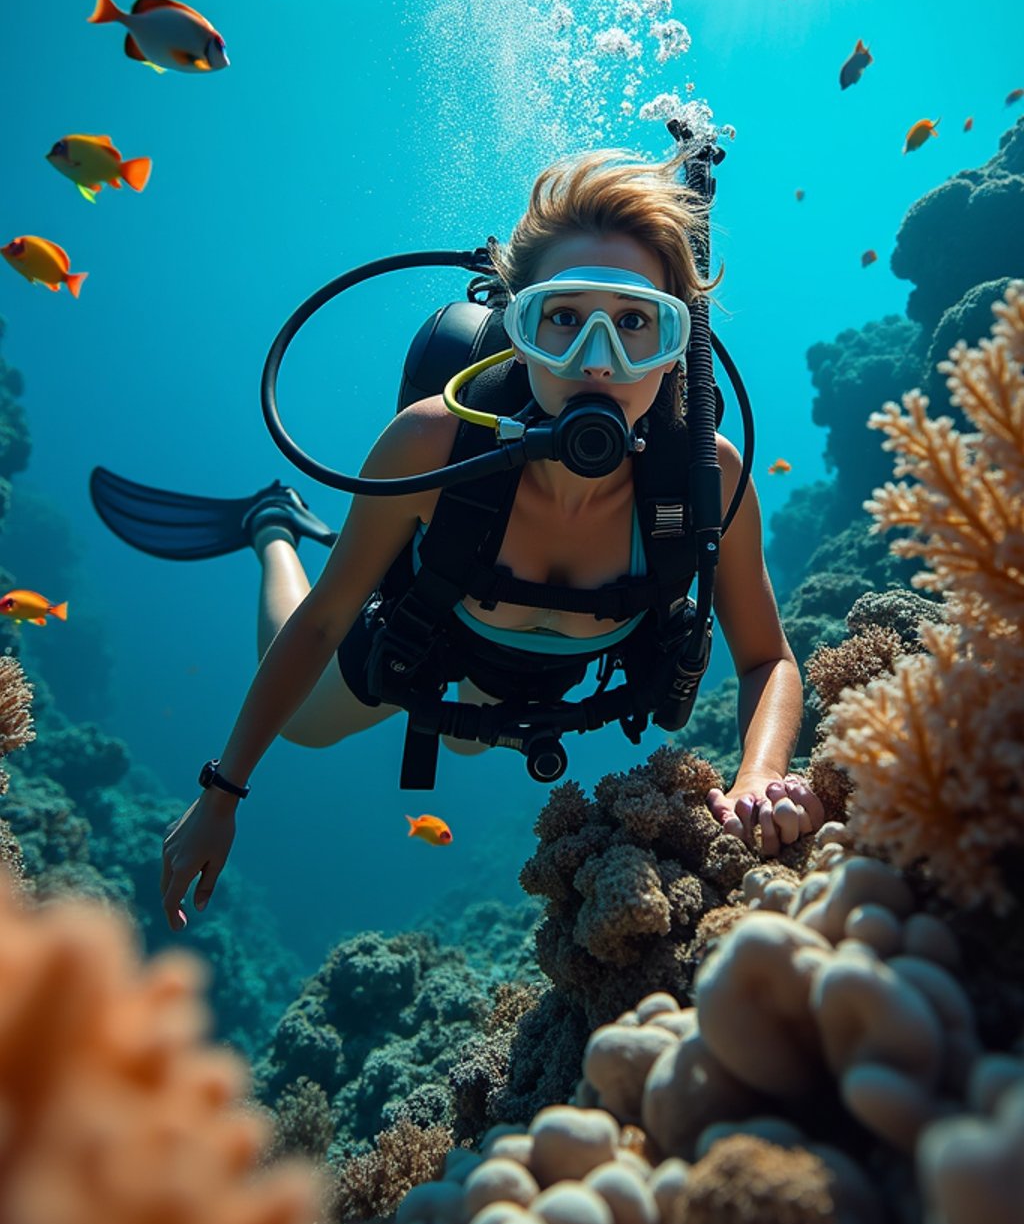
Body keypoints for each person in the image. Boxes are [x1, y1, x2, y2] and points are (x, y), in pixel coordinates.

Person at [107, 148, 822, 932]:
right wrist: (222, 791)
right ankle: (274, 527)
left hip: (538, 671)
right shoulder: (431, 445)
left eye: (632, 323)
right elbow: (323, 622)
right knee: (307, 729)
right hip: (434, 634)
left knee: (476, 746)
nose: (596, 361)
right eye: (562, 318)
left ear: (675, 347)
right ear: (518, 327)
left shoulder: (707, 478)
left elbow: (767, 658)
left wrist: (760, 773)